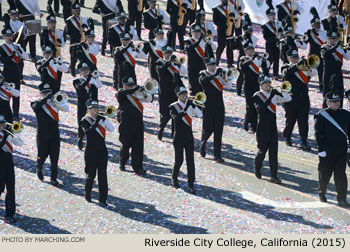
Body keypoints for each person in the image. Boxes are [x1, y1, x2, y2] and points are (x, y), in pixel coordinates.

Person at [315, 87, 350, 208]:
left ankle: (342, 198)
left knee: (340, 175)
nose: (336, 103)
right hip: (327, 150)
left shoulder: (346, 114)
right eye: (333, 101)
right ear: (327, 102)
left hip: (341, 150)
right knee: (325, 174)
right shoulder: (322, 115)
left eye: (338, 101)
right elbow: (318, 134)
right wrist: (320, 149)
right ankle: (322, 192)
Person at [253, 75, 291, 184]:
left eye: (268, 83)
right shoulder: (257, 95)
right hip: (262, 127)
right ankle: (257, 167)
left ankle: (274, 176)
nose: (267, 85)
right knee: (262, 151)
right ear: (261, 85)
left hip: (272, 127)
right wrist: (270, 97)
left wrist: (281, 92)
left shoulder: (273, 94)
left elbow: (289, 98)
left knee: (274, 153)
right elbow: (261, 110)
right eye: (265, 83)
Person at [31, 83, 69, 186]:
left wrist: (56, 102)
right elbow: (35, 108)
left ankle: (53, 178)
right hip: (42, 135)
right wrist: (45, 99)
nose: (47, 94)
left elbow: (67, 109)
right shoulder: (36, 103)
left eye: (48, 92)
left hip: (54, 134)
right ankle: (39, 169)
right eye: (44, 93)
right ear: (40, 94)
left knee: (54, 157)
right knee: (42, 156)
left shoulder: (55, 103)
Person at [80, 99, 115, 207]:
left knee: (103, 176)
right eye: (93, 108)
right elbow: (88, 133)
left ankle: (103, 199)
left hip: (102, 151)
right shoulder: (84, 120)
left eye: (97, 108)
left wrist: (105, 120)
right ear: (88, 109)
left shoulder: (102, 119)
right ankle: (88, 193)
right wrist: (96, 122)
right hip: (90, 151)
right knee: (91, 175)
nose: (95, 110)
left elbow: (112, 129)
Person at [281, 49, 317, 150]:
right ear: (288, 58)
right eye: (292, 58)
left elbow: (314, 73)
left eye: (296, 57)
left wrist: (307, 65)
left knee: (303, 121)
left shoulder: (304, 67)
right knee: (290, 120)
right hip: (291, 99)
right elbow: (286, 74)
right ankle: (287, 137)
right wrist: (297, 66)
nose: (295, 59)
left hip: (304, 98)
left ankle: (304, 140)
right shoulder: (285, 66)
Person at [170, 86, 203, 194]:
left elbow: (200, 115)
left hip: (189, 136)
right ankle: (174, 178)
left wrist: (194, 106)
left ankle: (191, 183)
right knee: (179, 160)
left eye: (185, 93)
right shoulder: (174, 106)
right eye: (182, 94)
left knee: (190, 161)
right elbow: (176, 119)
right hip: (178, 136)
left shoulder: (190, 105)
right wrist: (185, 109)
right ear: (178, 95)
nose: (185, 96)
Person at [116, 76, 152, 174]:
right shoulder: (121, 93)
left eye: (132, 85)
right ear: (124, 85)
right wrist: (134, 89)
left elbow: (149, 99)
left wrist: (145, 91)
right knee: (125, 144)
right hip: (126, 122)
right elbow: (122, 94)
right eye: (128, 86)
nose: (130, 87)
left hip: (138, 122)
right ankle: (122, 162)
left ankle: (137, 166)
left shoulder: (137, 93)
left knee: (138, 145)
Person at [199, 57, 232, 162]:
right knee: (208, 128)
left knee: (218, 130)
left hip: (219, 105)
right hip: (208, 105)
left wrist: (226, 77)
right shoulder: (203, 74)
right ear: (207, 65)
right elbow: (203, 82)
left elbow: (229, 86)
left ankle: (217, 155)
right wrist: (215, 75)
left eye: (214, 65)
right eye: (211, 65)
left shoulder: (219, 75)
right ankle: (203, 144)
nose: (213, 67)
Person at [156, 43, 187, 140]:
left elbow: (185, 72)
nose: (169, 55)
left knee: (176, 114)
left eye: (170, 53)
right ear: (163, 54)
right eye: (167, 53)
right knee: (165, 115)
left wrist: (179, 63)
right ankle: (161, 130)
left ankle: (175, 134)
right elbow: (161, 71)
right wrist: (169, 62)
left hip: (175, 92)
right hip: (165, 92)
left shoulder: (176, 63)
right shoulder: (159, 62)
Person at [239, 42, 269, 133]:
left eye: (252, 49)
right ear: (245, 51)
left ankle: (254, 125)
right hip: (247, 84)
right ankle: (246, 121)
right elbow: (242, 66)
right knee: (250, 106)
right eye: (249, 50)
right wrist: (252, 58)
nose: (251, 51)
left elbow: (266, 66)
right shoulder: (243, 58)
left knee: (256, 105)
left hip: (256, 84)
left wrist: (263, 59)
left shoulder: (257, 59)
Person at [0, 28, 29, 121]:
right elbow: (2, 60)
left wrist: (19, 50)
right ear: (4, 37)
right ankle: (6, 113)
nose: (9, 37)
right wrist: (12, 55)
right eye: (7, 36)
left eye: (11, 35)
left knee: (17, 95)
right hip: (7, 73)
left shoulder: (17, 46)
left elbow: (26, 57)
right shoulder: (2, 47)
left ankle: (16, 114)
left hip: (17, 73)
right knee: (6, 94)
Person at [0, 114, 24, 223]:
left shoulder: (8, 134)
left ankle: (10, 214)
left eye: (3, 123)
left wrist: (14, 133)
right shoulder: (4, 135)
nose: (2, 125)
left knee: (11, 189)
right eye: (0, 124)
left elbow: (20, 144)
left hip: (9, 163)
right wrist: (5, 136)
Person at [73, 63, 102, 150]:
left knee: (94, 121)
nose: (85, 71)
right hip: (82, 105)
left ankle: (94, 140)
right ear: (80, 72)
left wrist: (95, 79)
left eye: (86, 70)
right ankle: (80, 138)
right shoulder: (76, 81)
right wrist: (88, 79)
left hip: (93, 105)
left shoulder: (93, 80)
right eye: (83, 70)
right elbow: (80, 88)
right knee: (81, 122)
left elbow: (100, 86)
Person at [320, 30, 350, 108]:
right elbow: (325, 55)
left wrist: (348, 47)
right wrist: (336, 47)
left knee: (339, 93)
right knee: (328, 93)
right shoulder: (324, 47)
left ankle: (339, 110)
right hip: (328, 74)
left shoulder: (340, 48)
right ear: (328, 39)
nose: (333, 40)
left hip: (338, 73)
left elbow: (348, 57)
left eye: (335, 39)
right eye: (331, 39)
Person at [184, 22, 212, 95]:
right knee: (193, 88)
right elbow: (189, 48)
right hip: (192, 67)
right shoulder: (188, 41)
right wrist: (199, 41)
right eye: (195, 31)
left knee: (201, 87)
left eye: (198, 31)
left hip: (202, 66)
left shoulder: (203, 41)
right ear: (191, 32)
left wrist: (209, 42)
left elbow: (211, 50)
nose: (197, 33)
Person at [304, 8, 327, 92]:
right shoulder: (309, 32)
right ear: (312, 25)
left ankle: (322, 86)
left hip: (321, 55)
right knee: (309, 72)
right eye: (315, 24)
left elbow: (324, 41)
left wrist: (317, 35)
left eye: (318, 24)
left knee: (321, 72)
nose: (317, 25)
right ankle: (304, 85)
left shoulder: (323, 33)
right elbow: (304, 43)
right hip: (312, 55)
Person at [65, 3, 89, 77]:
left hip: (82, 41)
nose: (78, 12)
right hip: (74, 41)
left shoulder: (83, 19)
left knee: (83, 57)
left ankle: (82, 71)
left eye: (79, 10)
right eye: (76, 10)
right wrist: (78, 35)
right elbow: (68, 32)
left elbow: (87, 29)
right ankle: (72, 69)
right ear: (72, 11)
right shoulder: (69, 20)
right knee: (73, 57)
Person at [262, 3, 283, 80]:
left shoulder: (278, 24)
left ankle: (275, 74)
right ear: (268, 16)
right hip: (270, 44)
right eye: (271, 15)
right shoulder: (265, 26)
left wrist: (281, 33)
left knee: (277, 58)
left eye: (274, 15)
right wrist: (275, 39)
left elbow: (281, 33)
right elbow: (266, 37)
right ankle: (266, 72)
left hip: (277, 44)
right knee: (270, 58)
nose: (273, 16)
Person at [213, 0, 235, 67]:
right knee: (221, 46)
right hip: (221, 30)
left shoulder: (232, 7)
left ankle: (230, 62)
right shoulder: (217, 8)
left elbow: (236, 18)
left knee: (230, 47)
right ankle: (216, 60)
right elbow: (215, 20)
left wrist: (233, 17)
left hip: (230, 29)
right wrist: (223, 26)